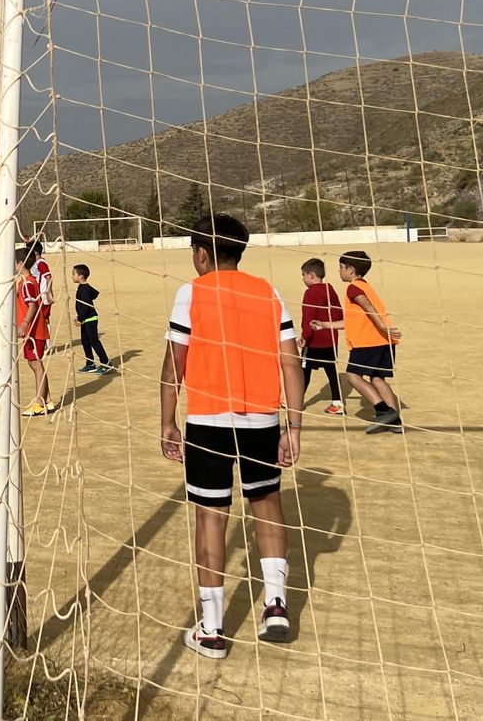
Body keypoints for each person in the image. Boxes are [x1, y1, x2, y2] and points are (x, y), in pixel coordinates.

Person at [159, 215, 303, 660]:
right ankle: (275, 606)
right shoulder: (268, 292)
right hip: (261, 420)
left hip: (208, 423)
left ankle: (213, 629)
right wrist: (294, 425)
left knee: (211, 518)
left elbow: (173, 366)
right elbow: (291, 362)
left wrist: (168, 422)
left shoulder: (192, 292)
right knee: (267, 505)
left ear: (201, 254)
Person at [338, 250, 404, 434]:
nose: (339, 271)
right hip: (383, 341)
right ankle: (395, 421)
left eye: (341, 267)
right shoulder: (366, 285)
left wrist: (382, 326)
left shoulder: (353, 288)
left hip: (368, 342)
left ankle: (383, 410)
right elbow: (354, 319)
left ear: (350, 269)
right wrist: (326, 325)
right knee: (377, 378)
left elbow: (368, 307)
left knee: (352, 376)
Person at [298, 258, 344, 414]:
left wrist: (305, 336)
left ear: (311, 275)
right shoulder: (330, 289)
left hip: (314, 342)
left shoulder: (310, 293)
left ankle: (297, 401)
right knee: (332, 371)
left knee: (303, 371)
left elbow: (308, 317)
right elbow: (339, 313)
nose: (303, 279)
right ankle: (337, 403)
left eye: (303, 275)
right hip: (331, 340)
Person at [16, 249, 53, 416]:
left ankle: (39, 403)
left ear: (20, 263)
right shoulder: (26, 281)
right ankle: (48, 400)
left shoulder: (27, 284)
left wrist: (24, 323)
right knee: (33, 363)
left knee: (36, 364)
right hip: (32, 330)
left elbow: (32, 305)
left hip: (34, 330)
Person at [70, 263, 111, 374]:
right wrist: (79, 316)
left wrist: (80, 318)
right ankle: (90, 363)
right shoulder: (84, 287)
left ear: (81, 276)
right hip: (85, 319)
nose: (72, 276)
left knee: (94, 341)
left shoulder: (84, 289)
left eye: (73, 274)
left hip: (90, 319)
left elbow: (86, 305)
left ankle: (106, 362)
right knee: (85, 342)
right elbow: (92, 296)